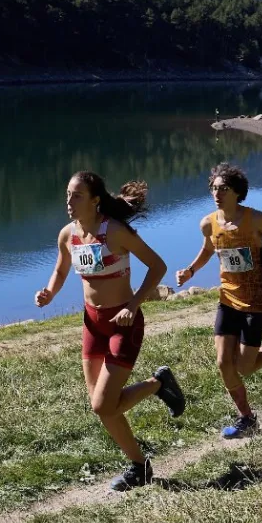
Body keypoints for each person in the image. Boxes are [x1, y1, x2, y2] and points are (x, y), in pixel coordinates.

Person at [35, 172, 185, 492]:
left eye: (77, 195)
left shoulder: (114, 231)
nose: (69, 201)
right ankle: (139, 467)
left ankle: (158, 384)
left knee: (104, 405)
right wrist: (49, 292)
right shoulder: (68, 234)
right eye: (68, 194)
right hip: (92, 324)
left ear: (95, 200)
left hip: (123, 324)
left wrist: (134, 304)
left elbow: (157, 266)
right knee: (103, 407)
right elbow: (61, 269)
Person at [175, 164, 262, 439]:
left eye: (223, 189)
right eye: (213, 188)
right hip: (227, 299)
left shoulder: (255, 219)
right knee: (223, 363)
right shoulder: (208, 223)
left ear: (237, 192)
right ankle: (247, 418)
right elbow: (209, 249)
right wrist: (190, 271)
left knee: (244, 367)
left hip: (255, 300)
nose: (217, 194)